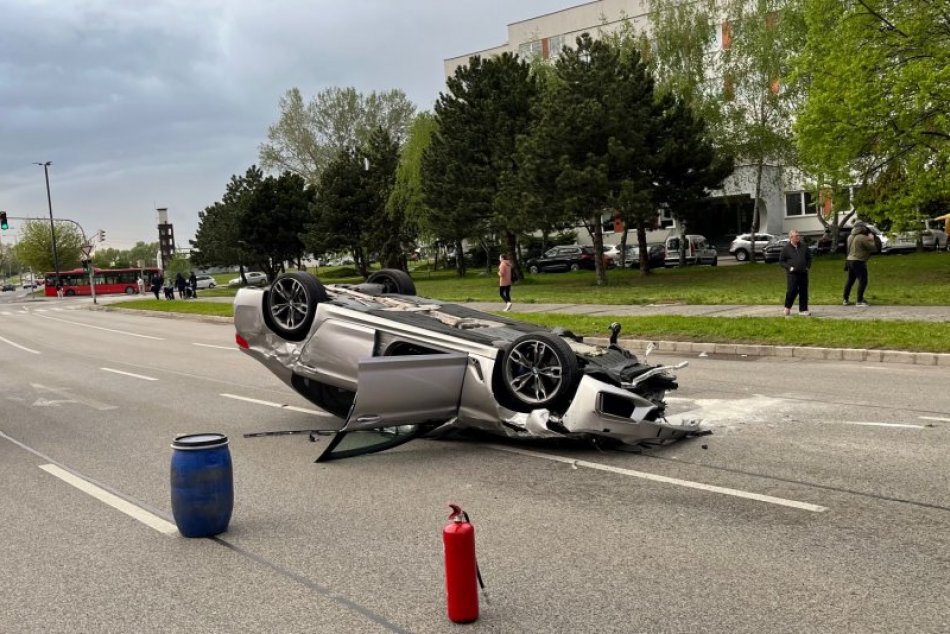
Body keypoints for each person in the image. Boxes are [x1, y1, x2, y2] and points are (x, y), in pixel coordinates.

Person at [843, 222, 877, 306]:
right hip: (858, 261)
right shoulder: (862, 237)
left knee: (850, 281)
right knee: (863, 281)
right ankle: (859, 300)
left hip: (850, 260)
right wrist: (871, 239)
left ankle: (845, 299)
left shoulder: (850, 236)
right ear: (862, 228)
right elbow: (873, 248)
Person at [778, 230, 812, 316]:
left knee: (803, 291)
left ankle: (803, 310)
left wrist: (807, 267)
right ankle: (787, 307)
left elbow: (809, 257)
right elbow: (781, 261)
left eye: (798, 235)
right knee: (792, 290)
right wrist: (790, 268)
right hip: (793, 274)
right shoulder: (786, 248)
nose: (798, 237)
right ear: (791, 237)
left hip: (803, 273)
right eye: (796, 236)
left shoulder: (804, 246)